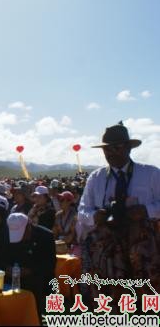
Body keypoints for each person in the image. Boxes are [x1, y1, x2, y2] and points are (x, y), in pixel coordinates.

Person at [78, 122, 160, 297]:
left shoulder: (151, 174)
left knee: (146, 298)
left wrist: (146, 211)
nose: (110, 153)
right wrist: (95, 216)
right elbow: (82, 212)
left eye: (115, 148)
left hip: (144, 252)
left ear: (128, 148)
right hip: (107, 254)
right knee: (111, 299)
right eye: (106, 149)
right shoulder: (96, 177)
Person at [7, 213, 56, 318]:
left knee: (35, 283)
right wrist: (8, 268)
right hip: (14, 275)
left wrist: (30, 270)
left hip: (37, 278)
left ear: (29, 226)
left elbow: (50, 264)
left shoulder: (46, 236)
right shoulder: (7, 233)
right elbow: (4, 256)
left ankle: (35, 316)